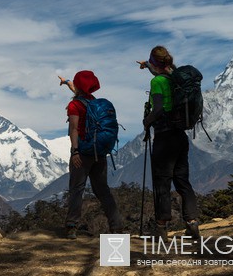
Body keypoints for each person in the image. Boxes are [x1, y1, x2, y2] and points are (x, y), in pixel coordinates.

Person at [138, 46, 200, 241]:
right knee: (182, 181)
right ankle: (192, 224)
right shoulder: (175, 77)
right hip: (180, 137)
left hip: (164, 138)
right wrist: (147, 65)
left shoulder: (157, 81)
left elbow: (157, 109)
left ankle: (161, 229)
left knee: (162, 183)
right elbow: (160, 68)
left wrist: (147, 121)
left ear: (155, 63)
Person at [59, 70, 123, 239]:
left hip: (83, 153)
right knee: (103, 191)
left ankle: (72, 226)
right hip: (99, 154)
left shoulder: (75, 105)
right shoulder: (95, 103)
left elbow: (74, 129)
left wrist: (75, 151)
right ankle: (116, 226)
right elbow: (78, 91)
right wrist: (67, 83)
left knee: (77, 189)